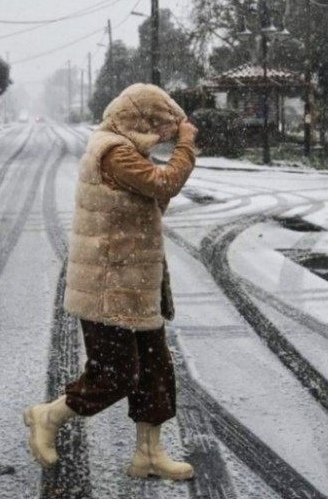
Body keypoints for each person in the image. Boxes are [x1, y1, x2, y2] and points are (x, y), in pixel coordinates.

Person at [23, 83, 198, 480]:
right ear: (137, 119)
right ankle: (49, 416)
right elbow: (165, 184)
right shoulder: (113, 151)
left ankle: (149, 455)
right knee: (115, 373)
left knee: (155, 371)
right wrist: (186, 145)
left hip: (136, 284)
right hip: (108, 288)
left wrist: (164, 166)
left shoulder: (127, 151)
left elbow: (153, 200)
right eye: (156, 124)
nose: (161, 133)